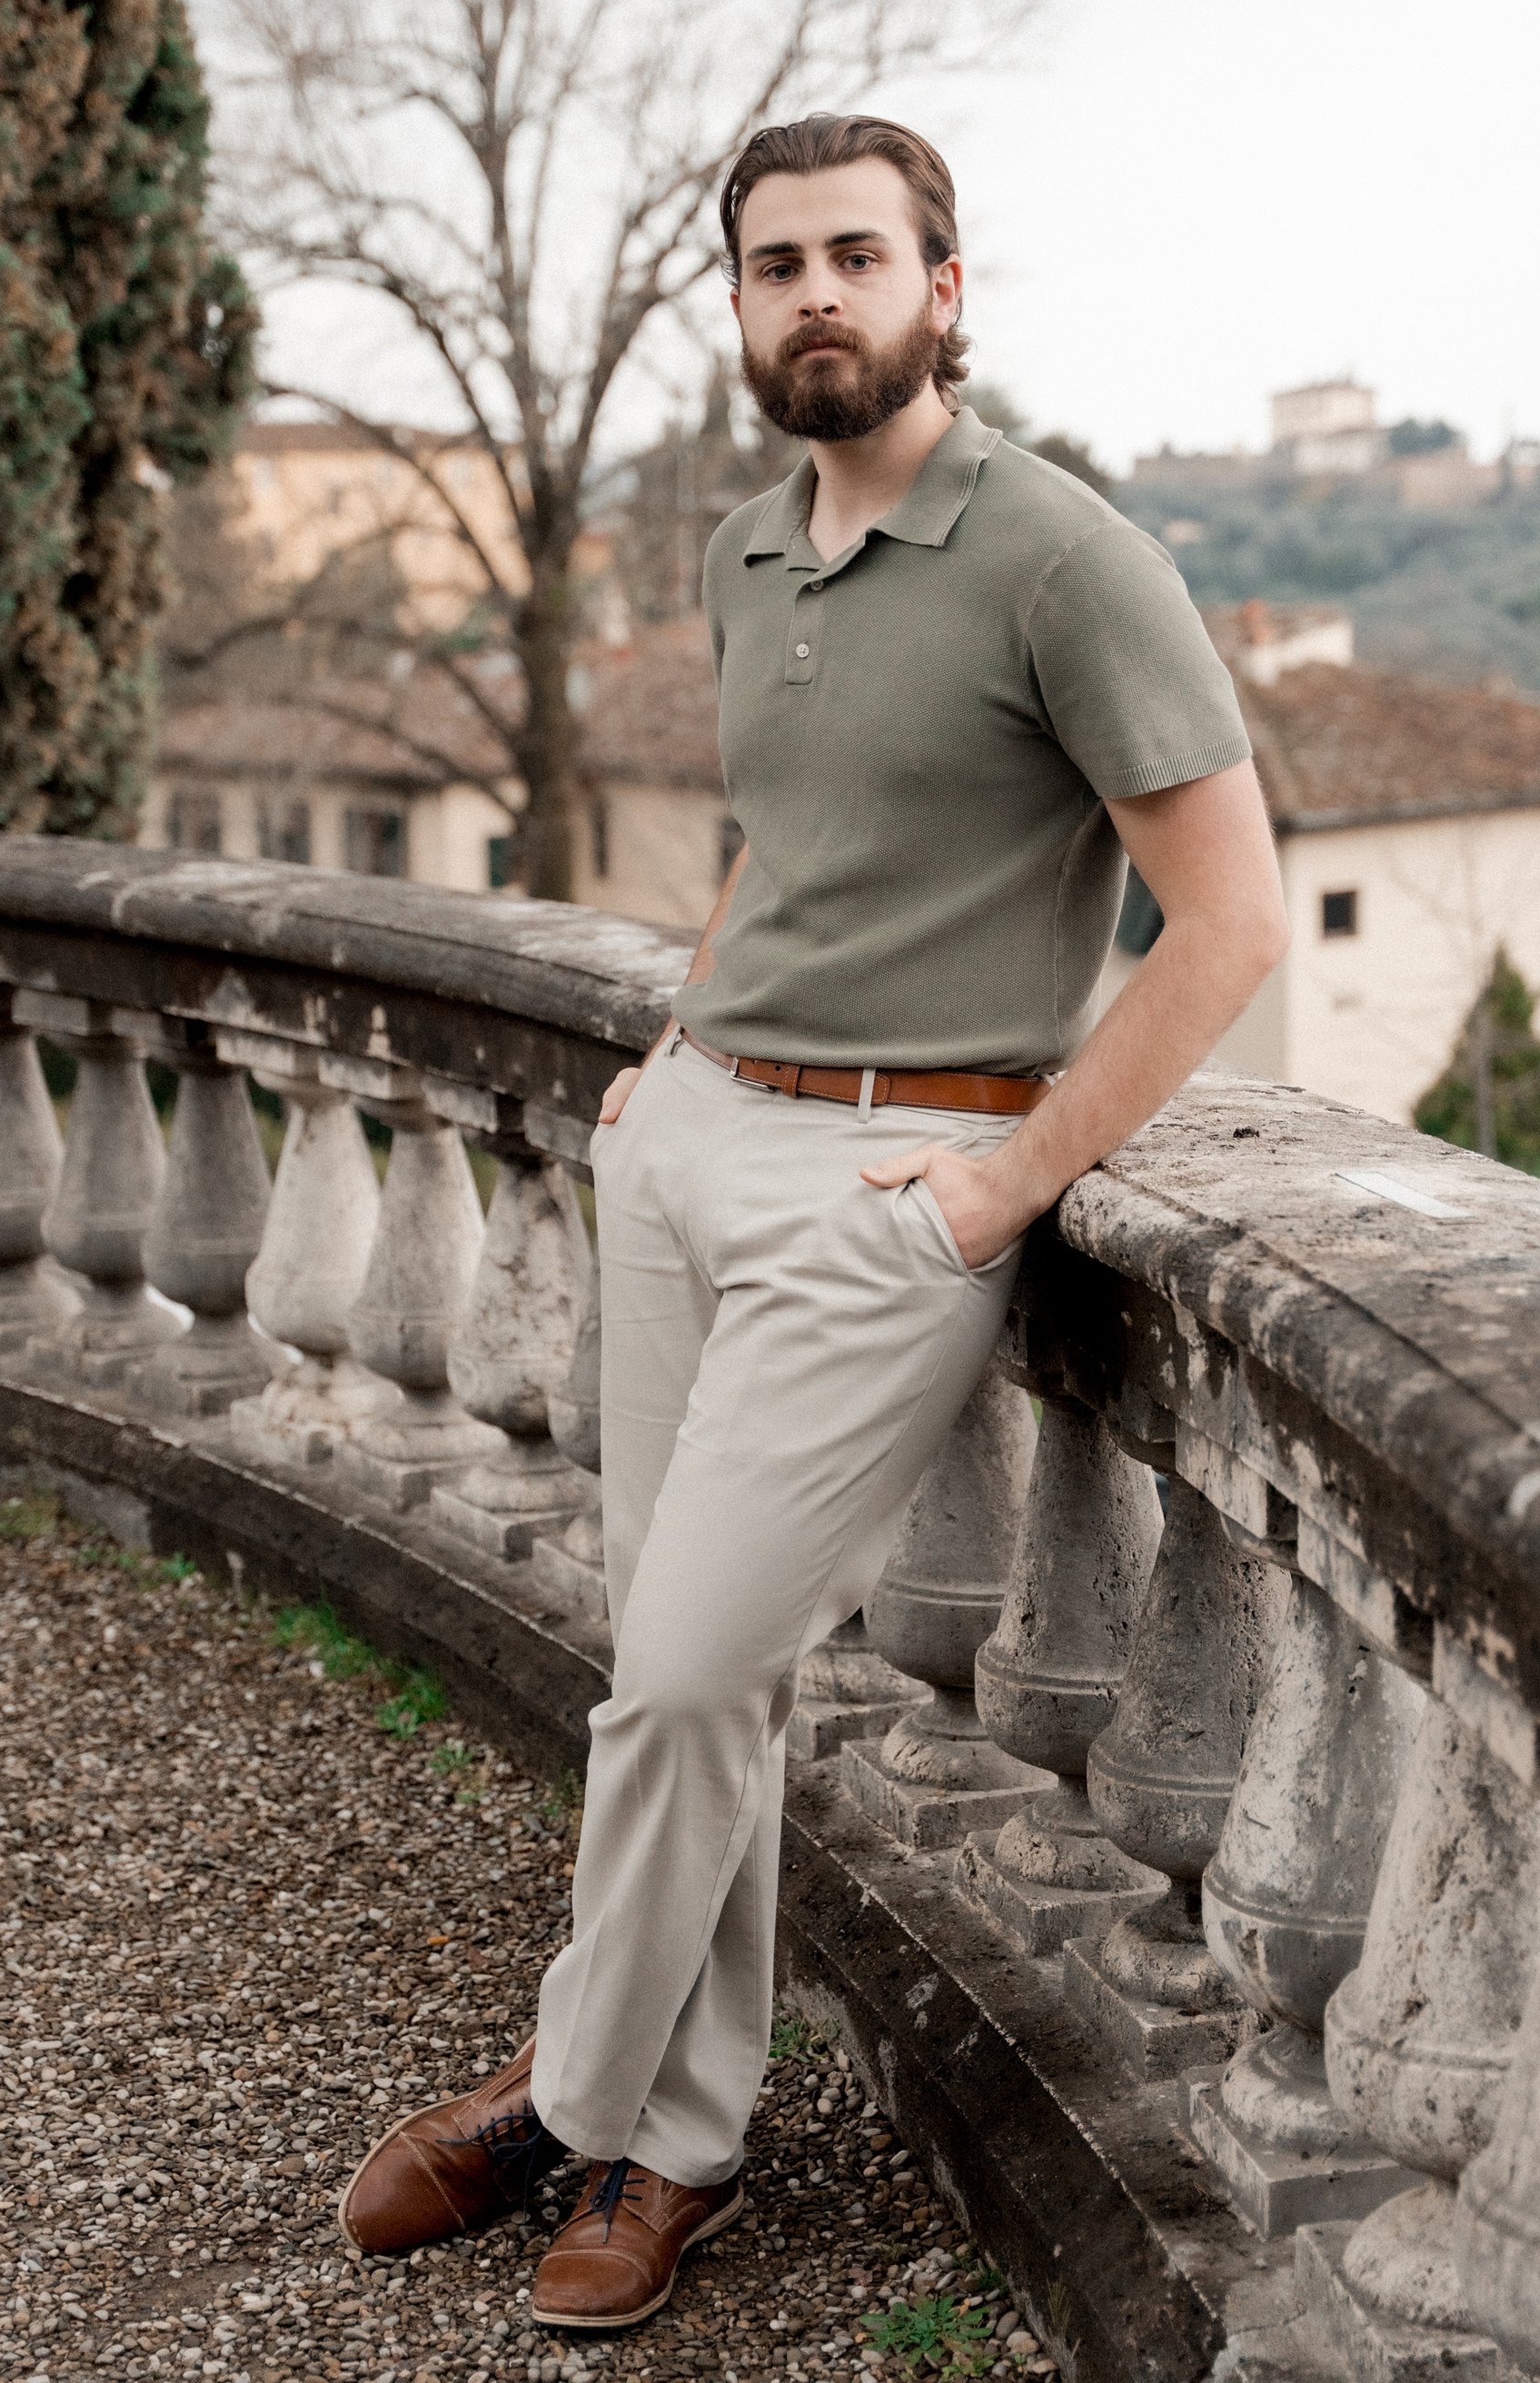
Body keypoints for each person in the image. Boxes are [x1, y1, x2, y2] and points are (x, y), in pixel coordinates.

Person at [338, 113, 1287, 2328]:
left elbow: (1231, 916)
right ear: (745, 305)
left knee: (681, 1677)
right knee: (692, 1682)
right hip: (691, 1150)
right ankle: (677, 2147)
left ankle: (558, 2097)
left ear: (946, 287)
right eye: (777, 265)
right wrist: (685, 1040)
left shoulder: (1065, 561)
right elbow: (776, 839)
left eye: (860, 255)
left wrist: (1011, 1177)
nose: (817, 296)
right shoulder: (746, 550)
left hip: (890, 1187)